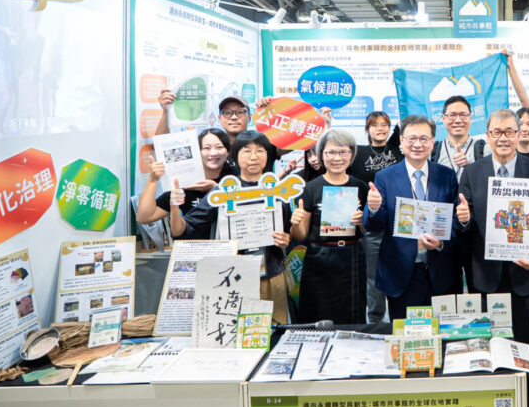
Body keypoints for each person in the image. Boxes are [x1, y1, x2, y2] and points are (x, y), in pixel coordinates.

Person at [456, 108, 529, 407]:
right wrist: (463, 221)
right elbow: (465, 225)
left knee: (526, 338)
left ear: (520, 134)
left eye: (509, 131)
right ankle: (494, 395)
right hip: (486, 274)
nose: (502, 138)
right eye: (496, 132)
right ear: (487, 135)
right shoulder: (472, 172)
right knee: (490, 338)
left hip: (524, 272)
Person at [175, 130, 293, 323]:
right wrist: (174, 206)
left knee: (275, 331)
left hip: (272, 276)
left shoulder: (279, 191)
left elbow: (288, 232)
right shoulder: (222, 192)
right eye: (247, 151)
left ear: (267, 155)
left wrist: (285, 239)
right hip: (233, 279)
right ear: (235, 155)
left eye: (260, 150)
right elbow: (184, 230)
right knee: (236, 331)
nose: (254, 157)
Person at [364, 115, 459, 320]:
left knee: (442, 334)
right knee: (404, 334)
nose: (417, 144)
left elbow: (455, 221)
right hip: (401, 274)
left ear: (432, 142)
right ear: (401, 140)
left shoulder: (447, 176)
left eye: (424, 139)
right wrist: (373, 208)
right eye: (411, 138)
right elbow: (374, 225)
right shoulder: (385, 177)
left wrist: (441, 242)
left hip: (439, 273)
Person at [289, 129, 369, 325]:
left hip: (352, 258)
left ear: (351, 154)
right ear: (321, 154)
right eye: (331, 152)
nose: (337, 158)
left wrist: (362, 222)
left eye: (343, 152)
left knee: (352, 317)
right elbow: (300, 235)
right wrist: (295, 222)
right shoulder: (310, 188)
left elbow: (369, 230)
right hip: (319, 259)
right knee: (316, 315)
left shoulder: (361, 187)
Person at [350, 111, 404, 323]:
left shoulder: (397, 148)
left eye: (384, 124)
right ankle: (374, 320)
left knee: (400, 271)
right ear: (367, 129)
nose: (380, 128)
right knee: (373, 276)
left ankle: (400, 318)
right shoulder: (359, 152)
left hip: (399, 221)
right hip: (371, 223)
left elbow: (405, 116)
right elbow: (335, 153)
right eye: (375, 125)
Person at [135, 128, 234, 229]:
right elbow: (144, 217)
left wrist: (215, 189)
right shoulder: (186, 182)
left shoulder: (234, 178)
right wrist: (153, 179)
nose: (213, 153)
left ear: (228, 151)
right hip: (194, 239)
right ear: (197, 152)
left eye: (219, 147)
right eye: (207, 148)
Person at [432, 96, 490, 180]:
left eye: (463, 115)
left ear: (470, 118)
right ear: (443, 118)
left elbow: (490, 181)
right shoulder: (433, 151)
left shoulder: (485, 149)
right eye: (452, 115)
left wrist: (470, 166)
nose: (458, 120)